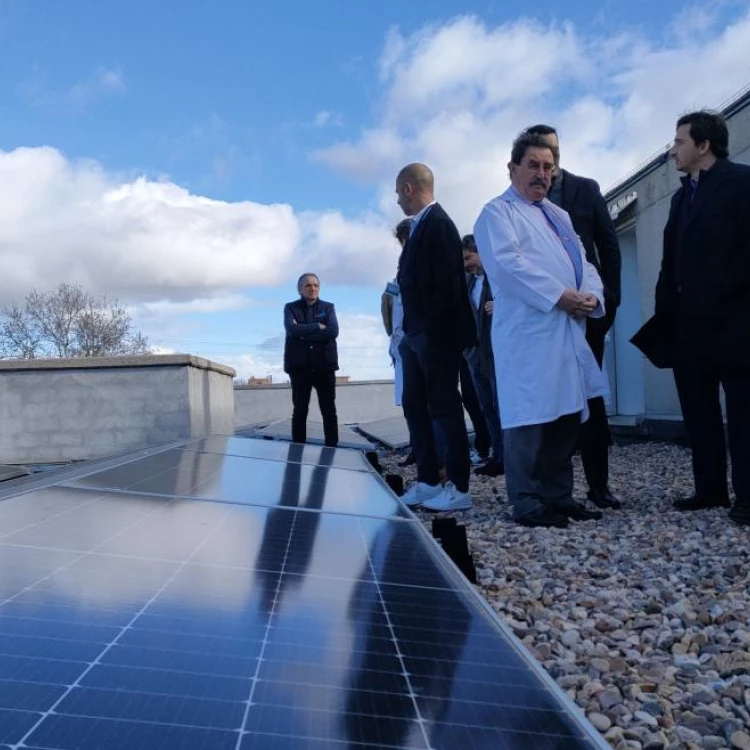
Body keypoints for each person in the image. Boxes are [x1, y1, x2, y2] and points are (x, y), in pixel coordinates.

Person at [473, 132, 608, 528]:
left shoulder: (559, 215)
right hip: (529, 333)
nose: (541, 173)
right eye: (532, 165)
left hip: (566, 329)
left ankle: (559, 495)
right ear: (512, 168)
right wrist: (559, 295)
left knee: (566, 414)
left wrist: (591, 298)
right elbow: (507, 265)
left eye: (548, 167)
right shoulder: (497, 213)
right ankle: (527, 501)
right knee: (529, 418)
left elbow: (586, 263)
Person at [651, 110, 750, 526]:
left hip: (736, 322)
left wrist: (723, 292)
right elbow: (670, 260)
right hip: (689, 326)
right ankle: (710, 489)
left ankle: (748, 497)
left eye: (679, 141)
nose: (673, 149)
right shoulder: (679, 196)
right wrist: (664, 313)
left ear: (703, 145)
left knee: (744, 414)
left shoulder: (743, 183)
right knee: (698, 410)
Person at [525, 124, 622, 510]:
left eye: (553, 152)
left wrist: (610, 300)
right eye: (540, 154)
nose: (547, 163)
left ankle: (599, 485)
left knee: (590, 396)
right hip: (545, 314)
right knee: (550, 395)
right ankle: (552, 489)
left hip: (588, 312)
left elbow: (609, 247)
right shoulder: (520, 201)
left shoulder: (586, 189)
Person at [395, 162, 477, 512]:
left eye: (399, 193)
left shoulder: (439, 225)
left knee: (444, 406)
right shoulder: (418, 228)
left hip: (435, 336)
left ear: (409, 189)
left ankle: (458, 487)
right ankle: (428, 480)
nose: (398, 200)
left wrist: (431, 333)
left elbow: (446, 286)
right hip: (415, 337)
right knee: (416, 405)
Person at [462, 234, 505, 477]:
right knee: (486, 406)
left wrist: (502, 306)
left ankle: (509, 458)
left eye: (469, 257)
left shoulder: (498, 280)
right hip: (475, 355)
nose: (467, 264)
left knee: (501, 406)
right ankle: (497, 456)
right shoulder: (468, 283)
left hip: (496, 353)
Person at [283, 273, 339, 447]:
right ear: (300, 289)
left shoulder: (328, 308)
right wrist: (316, 327)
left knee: (328, 410)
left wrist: (303, 333)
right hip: (300, 368)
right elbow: (292, 330)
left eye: (316, 285)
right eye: (308, 285)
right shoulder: (291, 308)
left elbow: (332, 331)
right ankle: (298, 449)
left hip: (324, 367)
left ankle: (332, 447)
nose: (312, 288)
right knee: (300, 410)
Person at [381, 219, 411, 407]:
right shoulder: (397, 278)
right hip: (402, 344)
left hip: (426, 344)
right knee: (410, 400)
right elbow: (387, 312)